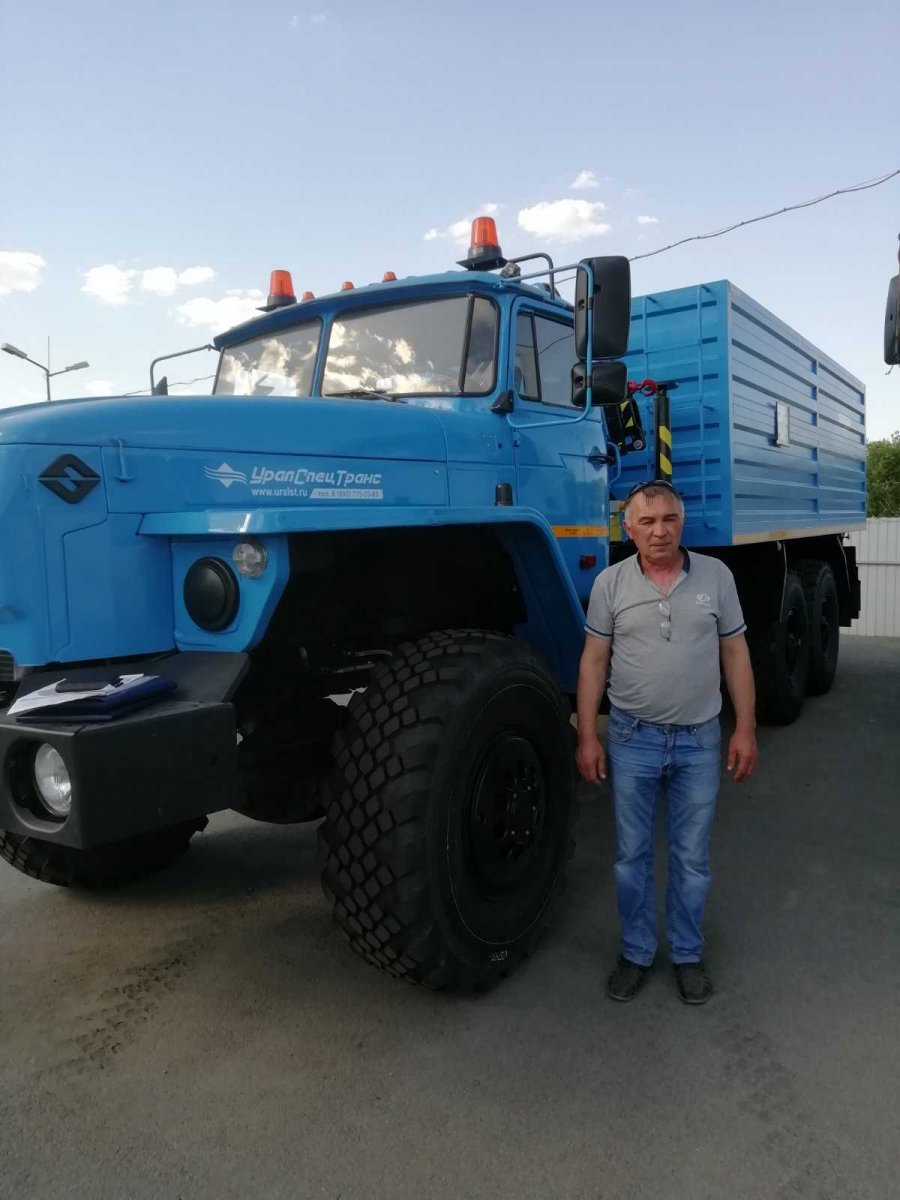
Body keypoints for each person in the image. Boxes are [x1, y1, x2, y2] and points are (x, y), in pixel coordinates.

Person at [576, 479, 758, 1004]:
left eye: (669, 519)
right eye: (648, 521)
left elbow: (735, 653)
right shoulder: (609, 584)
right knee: (631, 856)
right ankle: (636, 952)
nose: (660, 531)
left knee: (692, 858)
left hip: (700, 741)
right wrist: (587, 735)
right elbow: (594, 660)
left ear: (682, 523)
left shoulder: (716, 577)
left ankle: (686, 954)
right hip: (632, 739)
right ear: (628, 529)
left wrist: (745, 728)